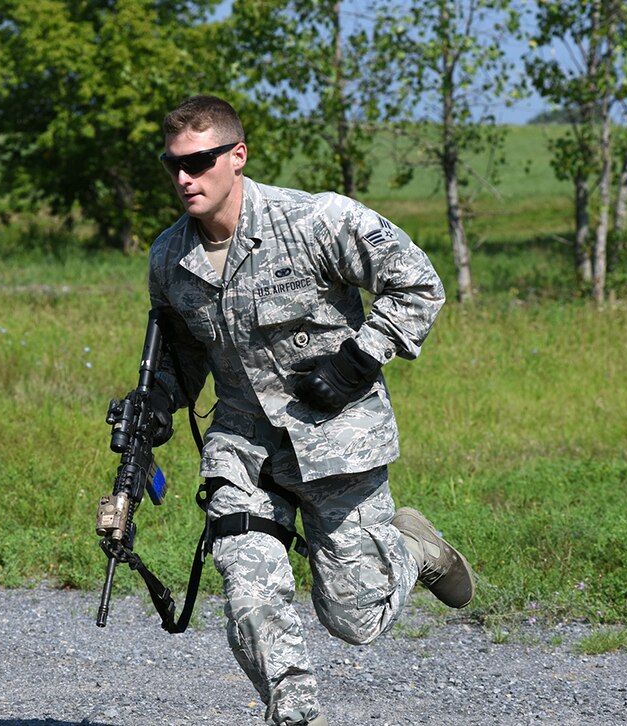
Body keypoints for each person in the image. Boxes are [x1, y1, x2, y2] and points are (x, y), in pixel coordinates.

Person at [145, 94, 475, 726]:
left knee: (354, 619)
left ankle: (411, 547)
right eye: (173, 165)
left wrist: (359, 359)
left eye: (200, 161)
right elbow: (181, 357)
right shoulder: (168, 258)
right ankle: (296, 715)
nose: (185, 178)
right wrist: (157, 401)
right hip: (243, 445)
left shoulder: (316, 220)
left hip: (336, 437)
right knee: (247, 586)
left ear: (236, 157)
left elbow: (418, 282)